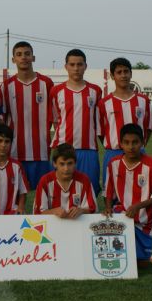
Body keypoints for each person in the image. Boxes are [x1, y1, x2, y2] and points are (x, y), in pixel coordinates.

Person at [103, 123, 152, 267]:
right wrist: (108, 207)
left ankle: (144, 255)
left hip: (145, 220)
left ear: (142, 142)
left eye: (135, 142)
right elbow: (108, 190)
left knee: (141, 264)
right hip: (122, 214)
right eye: (127, 142)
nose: (131, 147)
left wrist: (138, 206)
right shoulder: (113, 163)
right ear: (121, 144)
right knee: (120, 257)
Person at [1, 41, 55, 190]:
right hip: (14, 151)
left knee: (45, 194)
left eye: (27, 54)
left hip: (41, 151)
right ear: (13, 60)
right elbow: (2, 120)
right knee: (14, 195)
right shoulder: (6, 86)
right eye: (19, 54)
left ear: (33, 57)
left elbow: (55, 118)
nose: (23, 57)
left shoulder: (46, 83)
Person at [50, 49, 102, 193]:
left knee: (89, 190)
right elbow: (56, 120)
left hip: (88, 149)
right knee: (60, 190)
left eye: (79, 64)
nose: (76, 68)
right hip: (62, 149)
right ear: (66, 66)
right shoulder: (56, 91)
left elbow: (97, 120)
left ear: (85, 66)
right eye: (72, 64)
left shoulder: (95, 91)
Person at [98, 57, 152, 184]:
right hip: (113, 153)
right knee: (112, 194)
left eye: (126, 71)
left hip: (138, 153)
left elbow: (148, 128)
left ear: (131, 73)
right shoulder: (104, 103)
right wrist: (114, 145)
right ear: (112, 76)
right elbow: (101, 132)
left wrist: (139, 145)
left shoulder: (143, 100)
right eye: (119, 72)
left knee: (140, 191)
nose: (123, 75)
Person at [33, 143, 96, 218]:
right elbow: (38, 213)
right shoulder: (45, 181)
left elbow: (92, 209)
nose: (66, 169)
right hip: (52, 226)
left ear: (75, 163)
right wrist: (53, 211)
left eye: (70, 163)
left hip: (77, 224)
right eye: (62, 164)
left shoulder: (84, 180)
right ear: (54, 164)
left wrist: (81, 210)